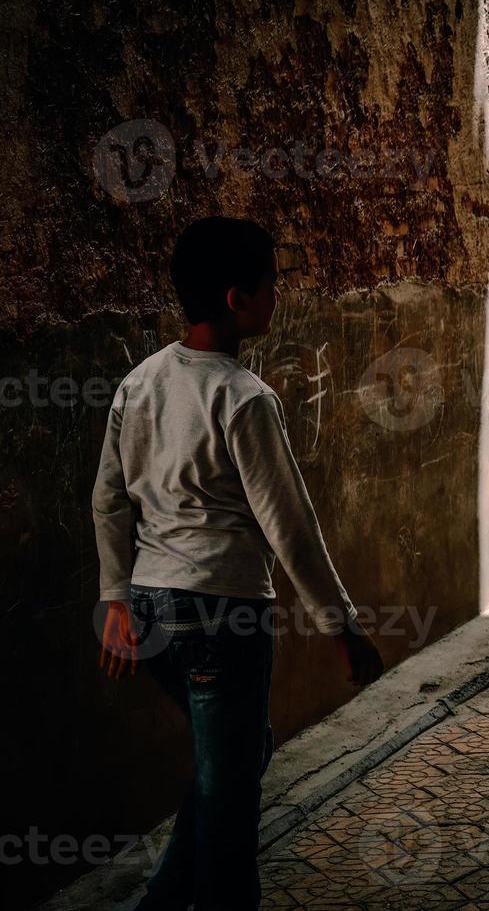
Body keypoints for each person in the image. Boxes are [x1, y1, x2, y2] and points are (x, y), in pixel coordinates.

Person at [92, 216, 384, 910]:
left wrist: (114, 598)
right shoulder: (245, 397)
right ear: (237, 299)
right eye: (272, 282)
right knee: (229, 808)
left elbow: (107, 500)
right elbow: (290, 527)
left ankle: (162, 901)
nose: (277, 294)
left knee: (235, 759)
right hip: (224, 616)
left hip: (155, 612)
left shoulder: (140, 383)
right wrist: (343, 627)